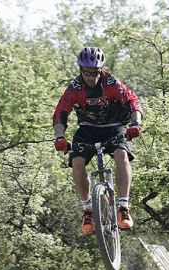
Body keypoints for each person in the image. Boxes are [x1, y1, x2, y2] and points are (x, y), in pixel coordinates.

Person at [53, 45, 142, 235]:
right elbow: (60, 113)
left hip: (114, 126)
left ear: (100, 70)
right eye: (86, 72)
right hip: (88, 129)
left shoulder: (111, 83)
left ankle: (123, 208)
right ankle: (87, 211)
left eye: (94, 72)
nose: (90, 77)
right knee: (76, 161)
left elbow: (132, 100)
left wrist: (135, 124)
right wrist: (59, 137)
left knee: (121, 154)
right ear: (80, 70)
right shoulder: (74, 88)